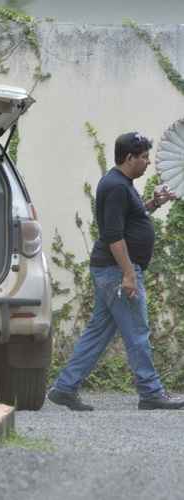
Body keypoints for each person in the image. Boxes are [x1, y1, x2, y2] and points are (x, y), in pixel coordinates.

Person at [48, 131, 184, 411]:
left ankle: (64, 388)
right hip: (115, 271)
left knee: (98, 332)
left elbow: (131, 220)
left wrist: (155, 203)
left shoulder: (123, 184)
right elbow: (113, 235)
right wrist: (128, 274)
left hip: (111, 271)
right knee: (137, 331)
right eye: (144, 157)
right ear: (129, 157)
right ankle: (151, 392)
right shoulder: (115, 186)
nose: (147, 162)